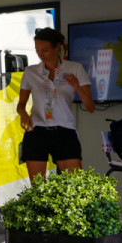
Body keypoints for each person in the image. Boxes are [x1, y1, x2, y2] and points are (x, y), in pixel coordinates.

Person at [16, 27, 95, 181]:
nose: (40, 54)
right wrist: (24, 115)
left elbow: (90, 106)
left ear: (57, 47)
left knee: (74, 185)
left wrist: (77, 86)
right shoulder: (31, 72)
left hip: (64, 129)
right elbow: (21, 105)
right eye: (37, 50)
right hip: (37, 130)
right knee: (38, 188)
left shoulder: (74, 68)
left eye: (44, 50)